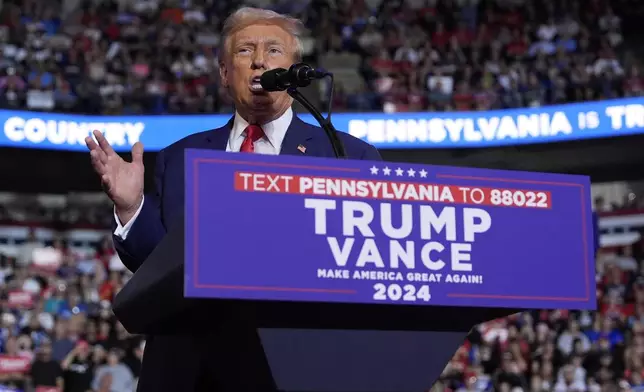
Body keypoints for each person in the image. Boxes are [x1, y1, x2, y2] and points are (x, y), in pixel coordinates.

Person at [85, 7, 381, 392]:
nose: (260, 60)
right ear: (225, 73)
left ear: (294, 70)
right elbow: (156, 266)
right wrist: (131, 208)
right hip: (188, 371)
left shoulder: (348, 156)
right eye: (245, 51)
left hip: (298, 367)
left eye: (274, 50)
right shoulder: (179, 157)